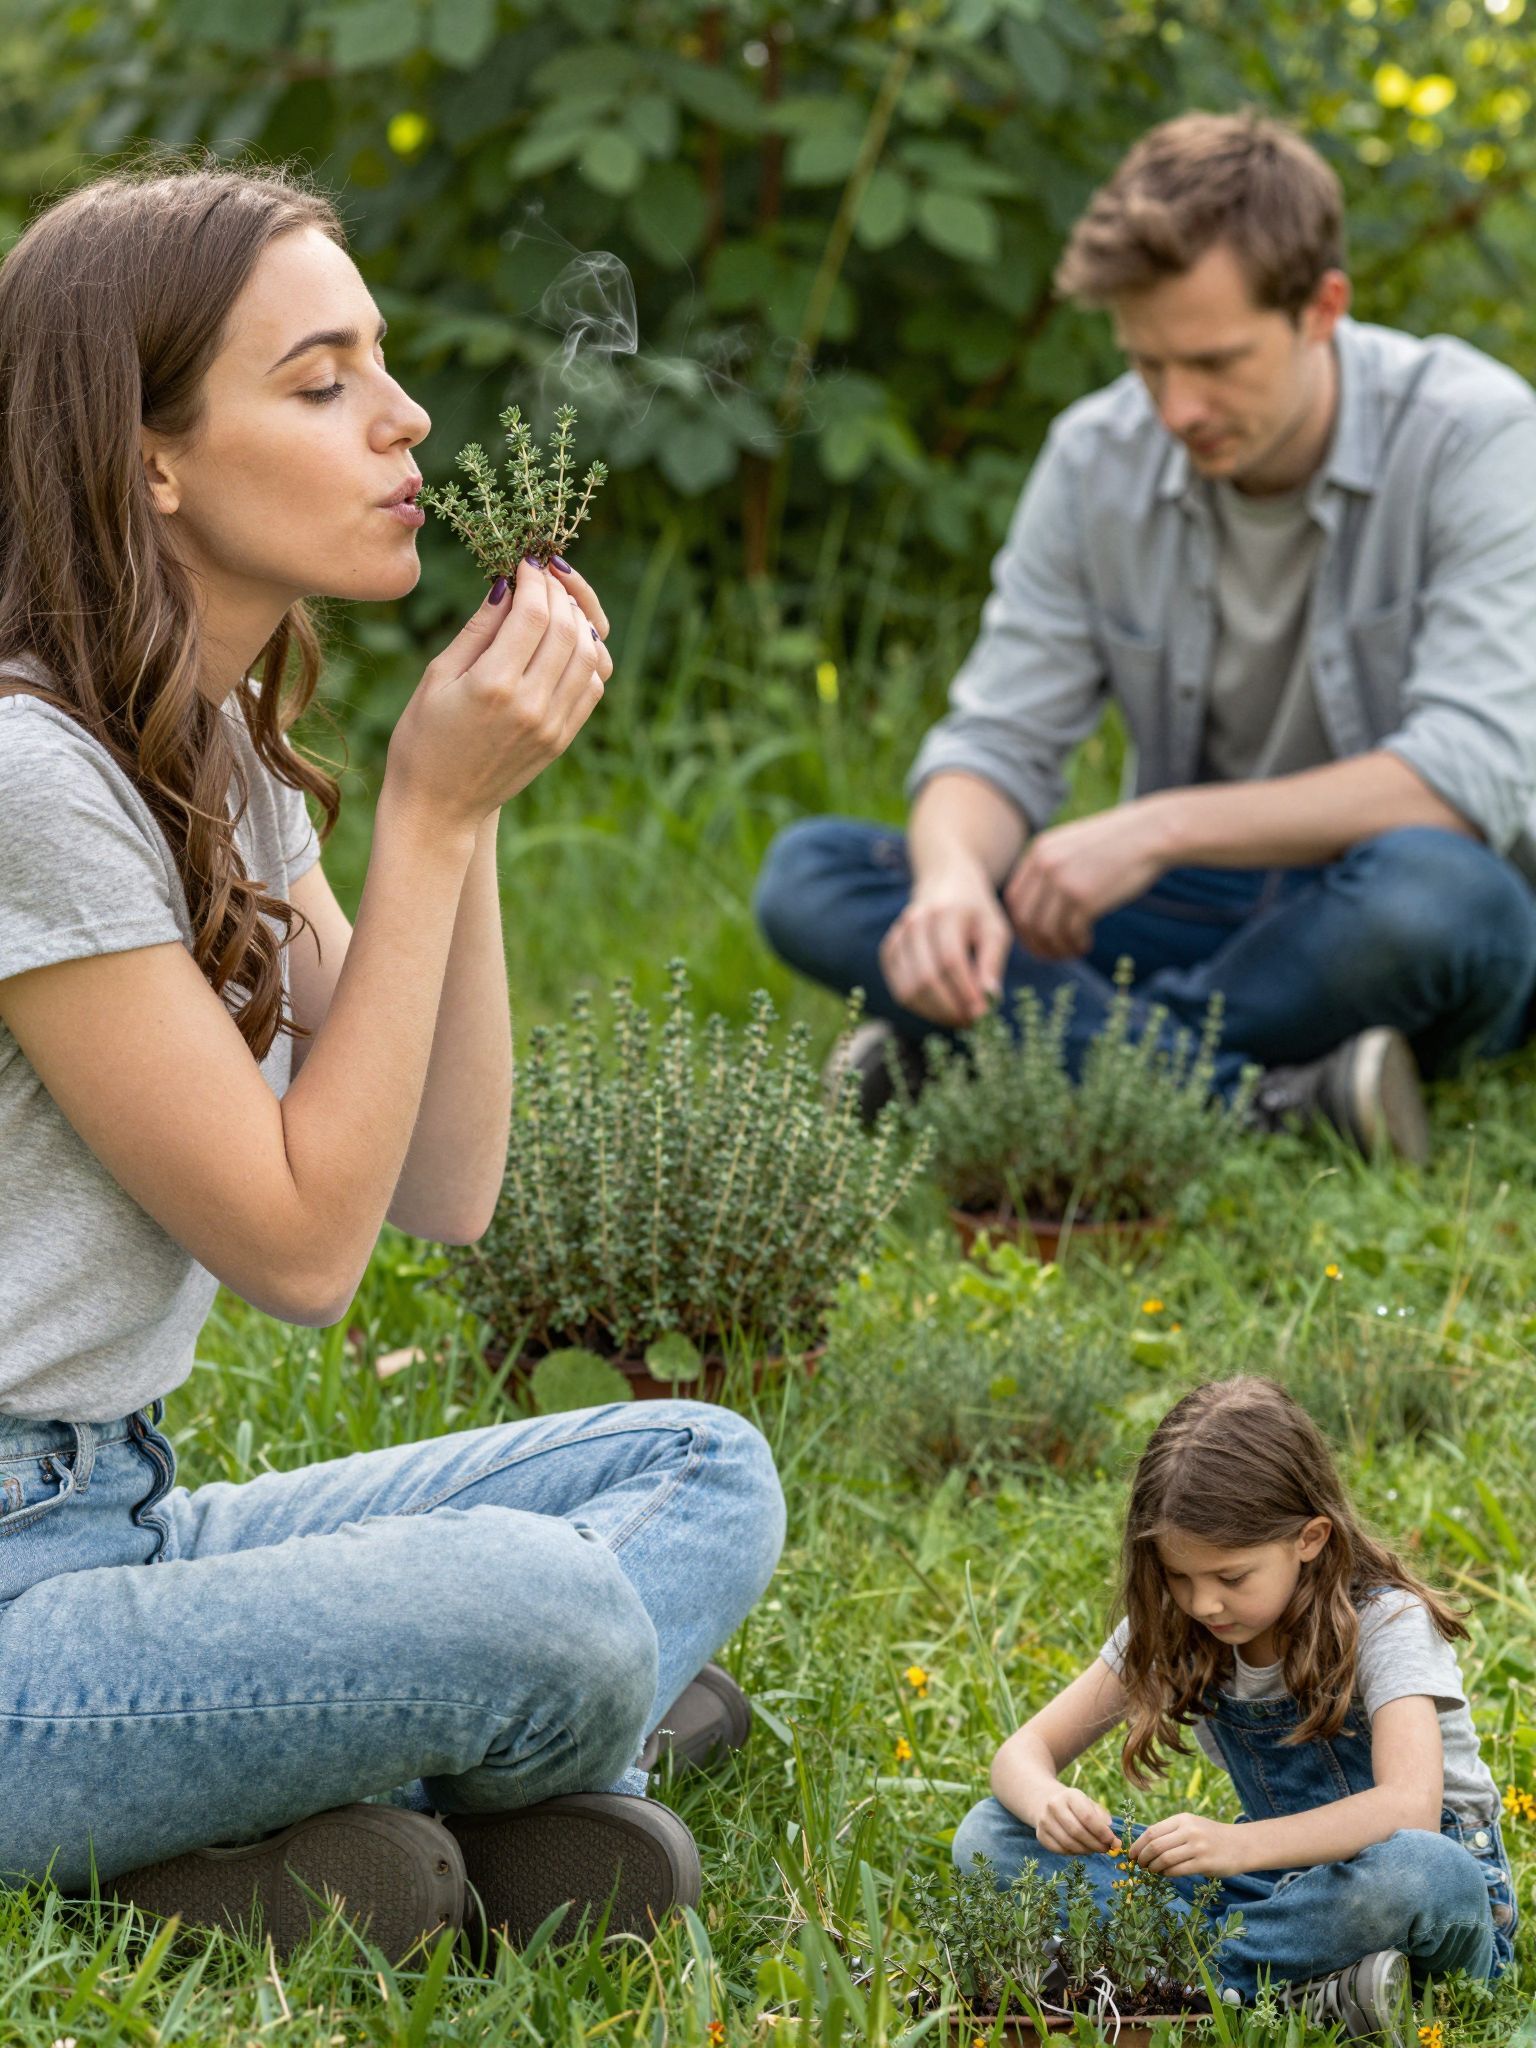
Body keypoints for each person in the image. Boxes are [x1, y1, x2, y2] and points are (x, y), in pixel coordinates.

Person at [0, 155, 786, 1964]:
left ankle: (313, 1825)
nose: (406, 414)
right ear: (152, 460)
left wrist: (475, 820)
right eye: (322, 377)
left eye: (383, 362)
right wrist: (422, 813)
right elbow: (304, 1253)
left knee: (697, 1470)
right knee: (546, 1612)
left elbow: (446, 1184)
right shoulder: (35, 777)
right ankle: (479, 1777)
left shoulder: (210, 747)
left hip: (111, 1521)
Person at [755, 111, 1536, 1167]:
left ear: (1323, 308)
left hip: (1389, 898)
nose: (1178, 407)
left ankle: (999, 1056)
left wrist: (1154, 828)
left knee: (1442, 897)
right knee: (814, 877)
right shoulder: (1093, 458)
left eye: (1215, 362)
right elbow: (997, 744)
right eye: (1148, 364)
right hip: (1202, 907)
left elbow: (1469, 776)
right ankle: (1272, 1102)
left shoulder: (1480, 434)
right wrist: (948, 884)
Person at [951, 1378, 1518, 2043]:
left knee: (1425, 1870)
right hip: (1272, 1900)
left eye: (1231, 1578)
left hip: (1409, 1911)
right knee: (990, 1835)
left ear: (1308, 1538)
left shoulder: (1387, 1621)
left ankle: (1180, 1993)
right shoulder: (1176, 1629)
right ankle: (1307, 1994)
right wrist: (1046, 1800)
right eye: (1179, 1577)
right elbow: (1020, 1756)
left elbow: (1409, 1810)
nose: (1203, 1604)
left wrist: (1235, 1843)